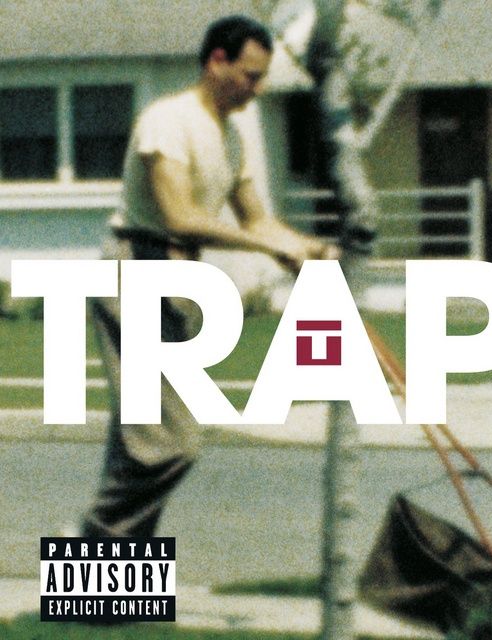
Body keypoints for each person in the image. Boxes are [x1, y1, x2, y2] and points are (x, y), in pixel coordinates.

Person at [82, 15, 337, 537]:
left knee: (139, 442)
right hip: (138, 268)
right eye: (250, 75)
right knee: (173, 443)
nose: (257, 89)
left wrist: (305, 246)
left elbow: (257, 219)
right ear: (217, 61)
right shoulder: (168, 120)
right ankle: (91, 536)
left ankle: (110, 577)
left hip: (179, 279)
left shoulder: (231, 136)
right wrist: (270, 247)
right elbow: (179, 217)